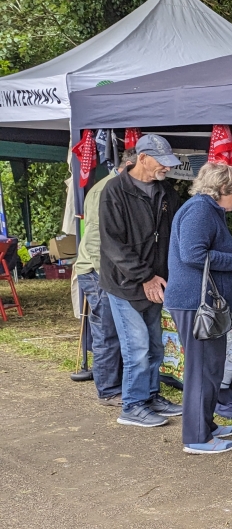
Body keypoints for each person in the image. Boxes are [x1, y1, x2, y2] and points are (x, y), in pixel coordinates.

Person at [166, 163, 232, 454]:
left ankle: (205, 424)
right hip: (196, 303)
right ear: (222, 188)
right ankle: (196, 437)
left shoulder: (207, 209)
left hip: (201, 302)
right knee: (202, 369)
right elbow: (192, 254)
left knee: (211, 367)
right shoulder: (200, 210)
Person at [99, 133, 184, 428]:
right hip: (124, 284)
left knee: (155, 346)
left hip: (155, 281)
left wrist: (165, 276)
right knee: (137, 347)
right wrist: (145, 276)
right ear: (143, 158)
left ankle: (150, 396)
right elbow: (112, 244)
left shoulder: (166, 192)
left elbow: (172, 237)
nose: (167, 168)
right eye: (162, 162)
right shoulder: (114, 190)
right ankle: (132, 406)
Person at [75, 153, 132, 407]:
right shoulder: (106, 189)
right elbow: (95, 239)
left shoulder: (114, 186)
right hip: (97, 271)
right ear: (129, 166)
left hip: (107, 271)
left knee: (113, 330)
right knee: (107, 331)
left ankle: (115, 385)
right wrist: (104, 275)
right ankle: (108, 390)